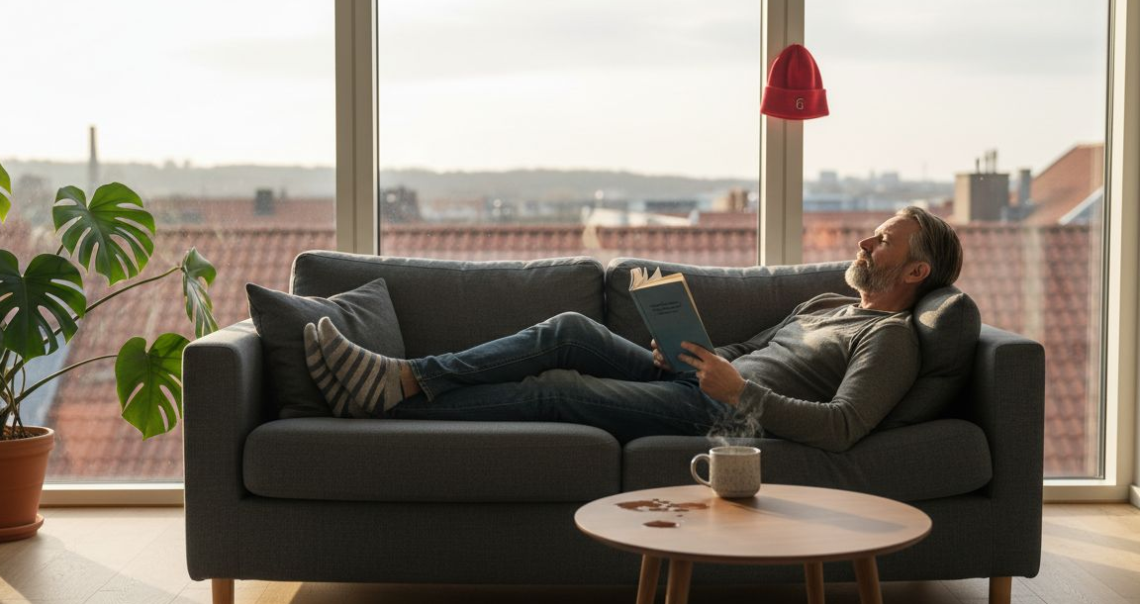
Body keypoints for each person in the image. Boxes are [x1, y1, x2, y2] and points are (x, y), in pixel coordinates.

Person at [303, 206, 963, 452]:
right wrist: (694, 351)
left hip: (732, 417)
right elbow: (750, 348)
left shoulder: (891, 339)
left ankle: (388, 399)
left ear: (915, 271)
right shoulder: (825, 303)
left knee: (558, 390)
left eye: (884, 241)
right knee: (565, 329)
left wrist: (737, 391)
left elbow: (845, 427)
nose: (865, 241)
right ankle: (406, 378)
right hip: (703, 380)